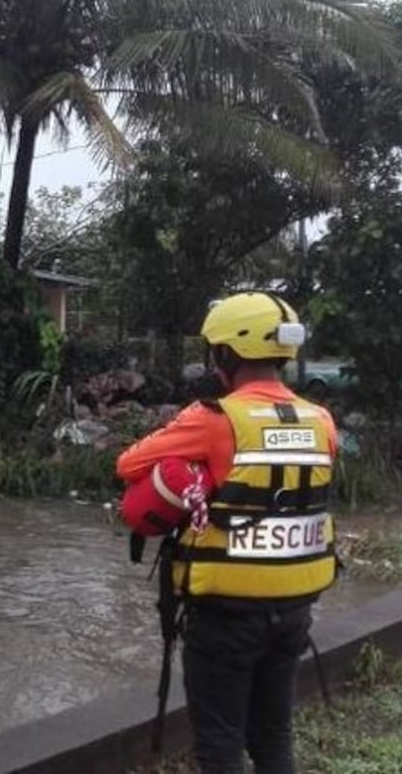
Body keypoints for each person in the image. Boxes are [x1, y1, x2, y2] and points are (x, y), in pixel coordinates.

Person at [116, 292, 338, 774]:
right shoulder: (322, 422)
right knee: (274, 738)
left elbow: (128, 462)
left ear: (226, 355)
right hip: (295, 609)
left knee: (219, 745)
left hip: (225, 616)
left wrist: (189, 470)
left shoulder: (214, 419)